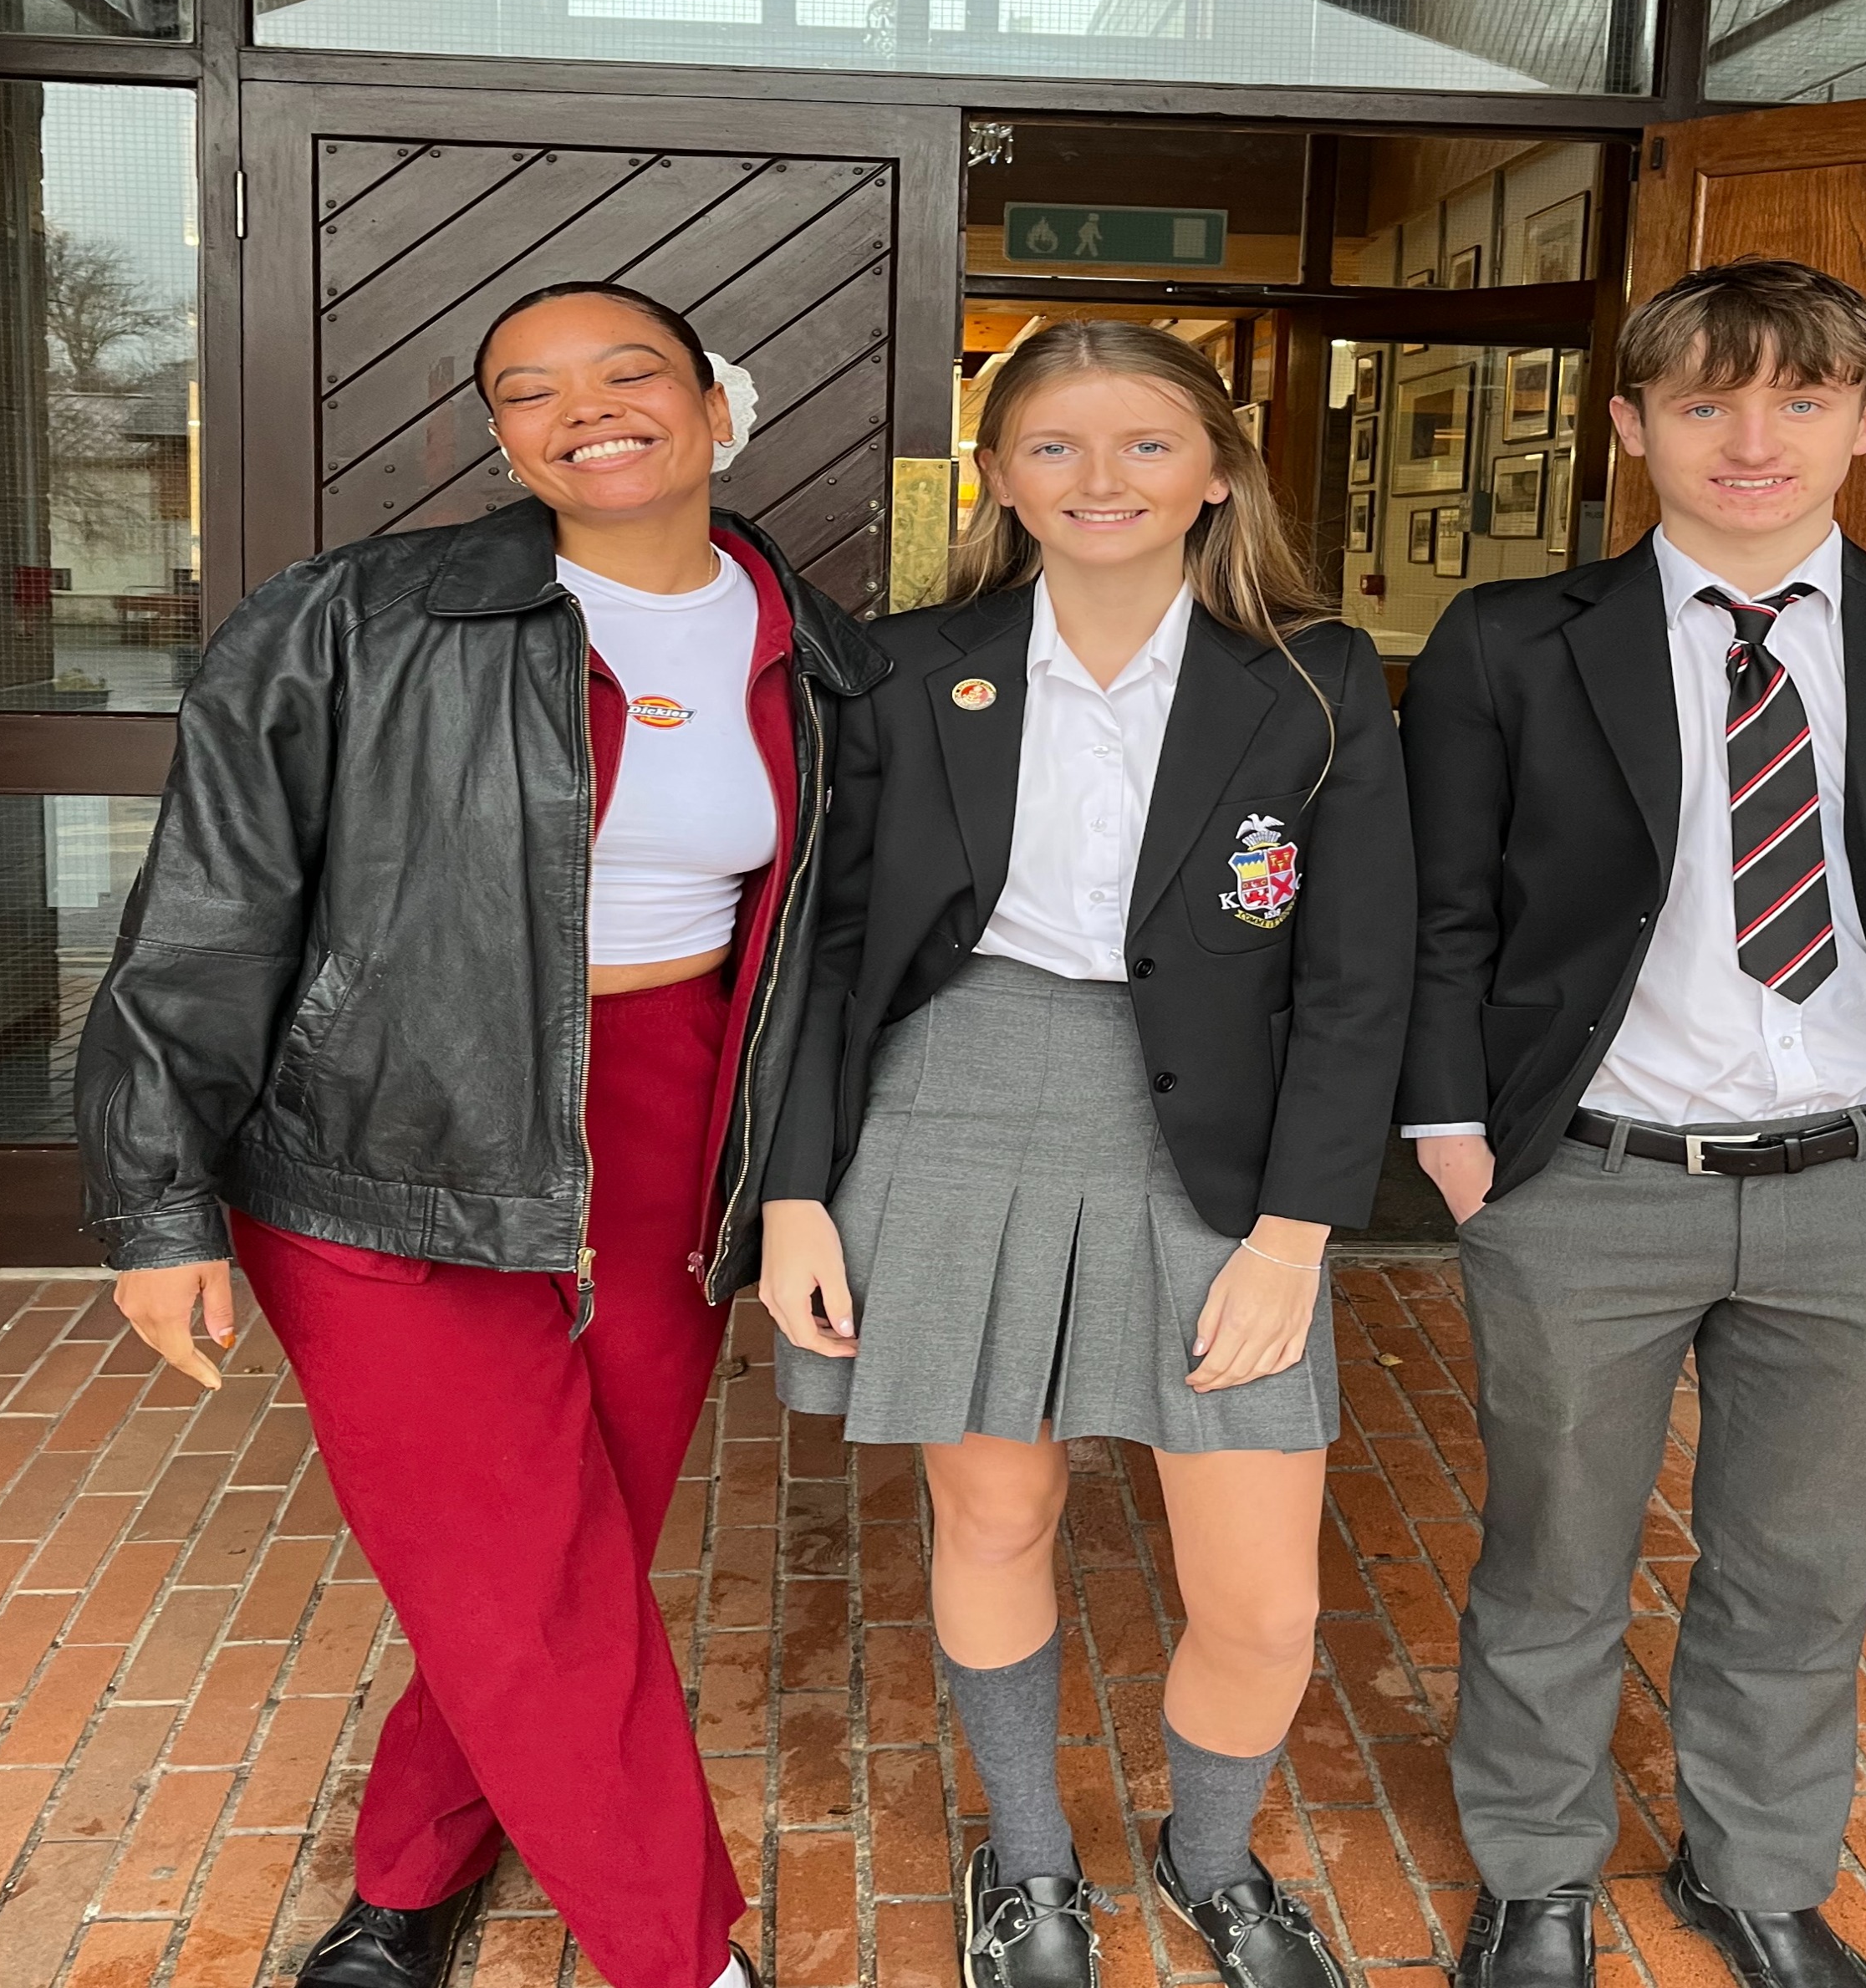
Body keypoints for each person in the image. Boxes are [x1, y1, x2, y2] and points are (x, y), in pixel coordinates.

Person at [76, 281, 886, 1988]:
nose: (585, 410)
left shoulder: (816, 653)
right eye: (530, 390)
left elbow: (822, 947)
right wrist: (158, 1205)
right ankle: (683, 1957)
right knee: (520, 1572)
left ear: (716, 405)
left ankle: (407, 1877)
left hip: (670, 1120)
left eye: (628, 372)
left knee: (573, 1548)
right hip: (385, 1130)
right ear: (504, 441)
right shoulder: (355, 619)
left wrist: (803, 1182)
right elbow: (208, 915)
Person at [1400, 259, 1866, 1988]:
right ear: (1634, 427)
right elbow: (1442, 908)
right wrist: (1453, 1130)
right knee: (1555, 1555)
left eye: (1800, 398)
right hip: (1587, 1181)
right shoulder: (1513, 642)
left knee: (1805, 1563)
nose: (1753, 439)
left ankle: (1757, 1872)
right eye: (1706, 401)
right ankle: (1537, 1873)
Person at [758, 320, 1413, 1988]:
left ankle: (1213, 1855)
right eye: (1054, 444)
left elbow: (1361, 977)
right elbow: (827, 950)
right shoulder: (908, 667)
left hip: (1219, 1140)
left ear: (1218, 470)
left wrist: (1296, 1234)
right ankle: (1033, 1863)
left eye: (1146, 443)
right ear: (998, 475)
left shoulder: (1315, 677)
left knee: (1263, 1599)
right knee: (995, 1518)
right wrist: (797, 1192)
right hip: (959, 1096)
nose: (1100, 478)